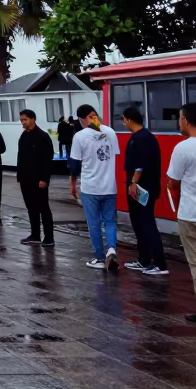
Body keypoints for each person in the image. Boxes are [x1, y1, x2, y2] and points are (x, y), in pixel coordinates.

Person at [167, 103, 196, 322]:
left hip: (193, 214)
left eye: (179, 118)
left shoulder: (182, 148)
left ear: (185, 120)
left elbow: (173, 183)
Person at [70, 103, 120, 271]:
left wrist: (72, 184)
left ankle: (99, 258)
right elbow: (114, 155)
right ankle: (111, 249)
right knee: (110, 222)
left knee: (94, 224)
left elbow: (74, 164)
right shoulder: (110, 132)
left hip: (90, 188)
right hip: (110, 186)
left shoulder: (80, 136)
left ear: (82, 119)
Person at [123, 106, 167, 275]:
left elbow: (140, 165)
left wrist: (133, 183)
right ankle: (144, 259)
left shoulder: (143, 138)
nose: (124, 123)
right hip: (139, 188)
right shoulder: (141, 137)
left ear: (129, 120)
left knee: (147, 224)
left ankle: (160, 264)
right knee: (138, 224)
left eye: (124, 120)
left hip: (143, 188)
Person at [16, 111, 54, 246]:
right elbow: (21, 156)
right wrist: (19, 174)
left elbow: (47, 160)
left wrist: (44, 179)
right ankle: (35, 235)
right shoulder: (24, 136)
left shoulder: (42, 137)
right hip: (25, 179)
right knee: (31, 207)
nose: (23, 123)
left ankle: (49, 238)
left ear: (33, 119)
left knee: (43, 208)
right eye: (21, 120)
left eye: (25, 120)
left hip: (38, 180)